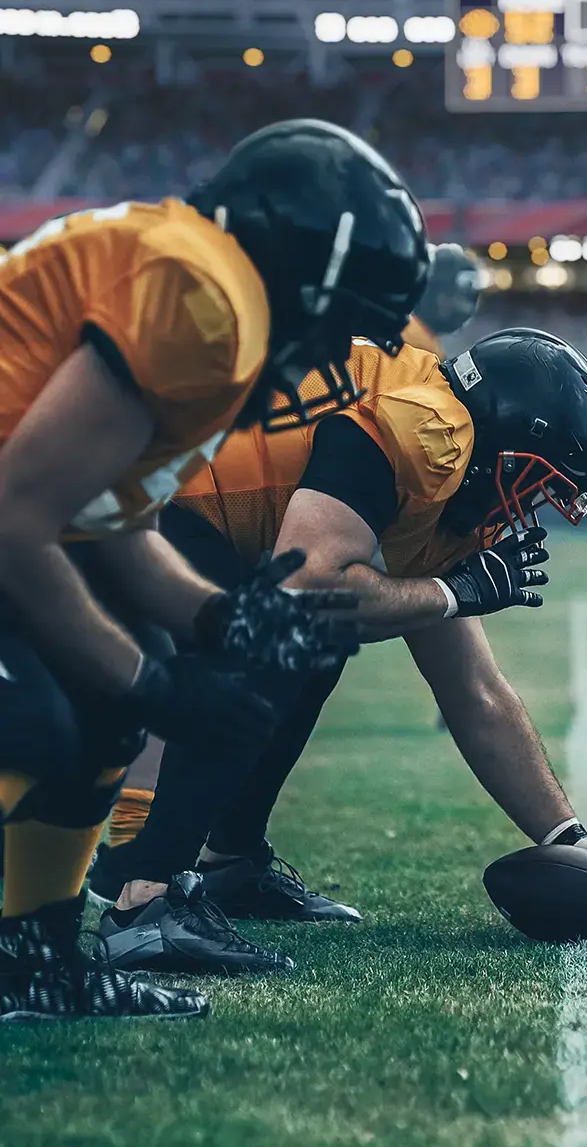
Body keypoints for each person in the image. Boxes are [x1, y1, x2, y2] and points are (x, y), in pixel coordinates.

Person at [0, 117, 430, 1021]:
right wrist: (152, 680)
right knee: (34, 724)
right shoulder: (203, 297)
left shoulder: (210, 292)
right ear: (292, 264)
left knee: (101, 712)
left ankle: (37, 961)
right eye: (337, 317)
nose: (330, 355)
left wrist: (214, 620)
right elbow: (18, 518)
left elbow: (114, 520)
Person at [88, 328, 587, 974]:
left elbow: (475, 692)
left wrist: (567, 836)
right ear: (504, 444)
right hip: (122, 491)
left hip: (162, 496)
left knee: (314, 637)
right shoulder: (429, 429)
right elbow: (307, 590)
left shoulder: (442, 460)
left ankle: (228, 864)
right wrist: (453, 592)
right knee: (292, 628)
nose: (528, 510)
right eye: (535, 484)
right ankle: (144, 902)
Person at [103, 242, 483, 841]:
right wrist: (442, 589)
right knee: (243, 646)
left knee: (261, 643)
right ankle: (142, 866)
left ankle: (201, 854)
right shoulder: (415, 352)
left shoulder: (383, 332)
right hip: (180, 487)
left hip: (187, 474)